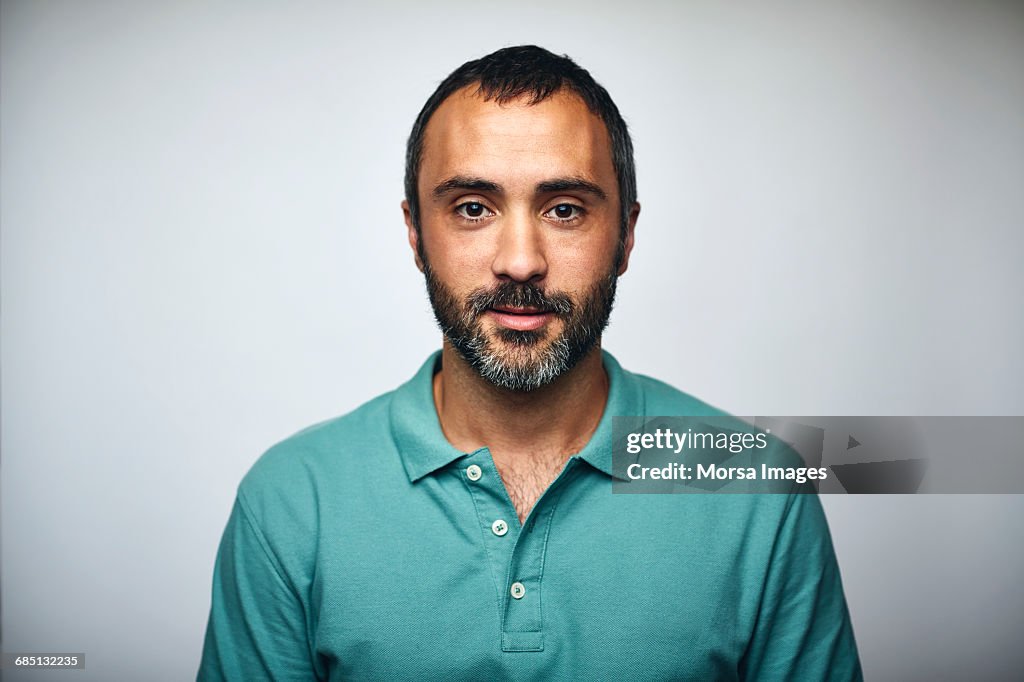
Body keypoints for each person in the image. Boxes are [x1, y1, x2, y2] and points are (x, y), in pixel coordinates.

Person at [198, 45, 861, 680]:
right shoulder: (291, 502)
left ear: (626, 235)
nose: (521, 260)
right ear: (415, 234)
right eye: (473, 208)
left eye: (565, 209)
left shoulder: (756, 491)